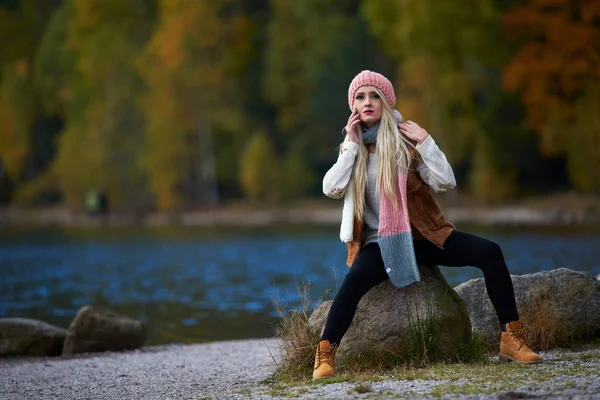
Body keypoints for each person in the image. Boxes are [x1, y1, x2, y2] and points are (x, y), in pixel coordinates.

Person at [312, 70, 540, 380]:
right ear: (353, 106)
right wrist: (351, 147)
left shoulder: (406, 143)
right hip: (378, 243)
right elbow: (331, 188)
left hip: (422, 235)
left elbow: (446, 182)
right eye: (360, 97)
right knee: (352, 284)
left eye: (374, 96)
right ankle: (325, 355)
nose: (368, 102)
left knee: (490, 252)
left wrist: (426, 141)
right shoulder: (351, 151)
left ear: (386, 102)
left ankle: (511, 339)